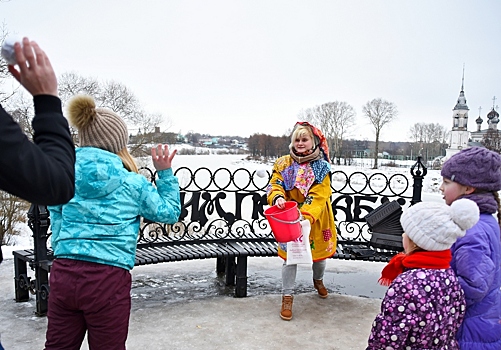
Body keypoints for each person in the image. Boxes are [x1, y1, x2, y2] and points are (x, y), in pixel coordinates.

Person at [43, 94, 181, 350]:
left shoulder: (64, 174)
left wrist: (64, 246)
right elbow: (169, 212)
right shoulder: (133, 184)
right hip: (108, 279)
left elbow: (56, 211)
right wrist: (164, 174)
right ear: (118, 143)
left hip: (64, 272)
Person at [0, 38, 75, 265]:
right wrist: (47, 100)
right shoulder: (130, 180)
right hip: (112, 274)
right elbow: (54, 184)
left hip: (64, 264)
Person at [367, 198, 479, 349]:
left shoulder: (406, 285)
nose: (402, 236)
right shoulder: (449, 276)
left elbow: (388, 336)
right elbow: (456, 318)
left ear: (416, 242)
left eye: (405, 232)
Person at [266, 121, 336, 321]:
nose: (300, 143)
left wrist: (304, 215)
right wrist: (278, 197)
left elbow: (319, 194)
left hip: (314, 217)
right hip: (288, 217)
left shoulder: (321, 168)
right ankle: (287, 296)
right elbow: (275, 184)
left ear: (313, 142)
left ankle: (318, 280)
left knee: (319, 255)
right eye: (297, 139)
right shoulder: (283, 163)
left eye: (304, 139)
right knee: (290, 258)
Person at [440, 146, 501, 349]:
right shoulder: (485, 220)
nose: (441, 187)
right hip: (483, 321)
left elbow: (473, 286)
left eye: (447, 182)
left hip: (468, 332)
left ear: (468, 188)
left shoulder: (472, 229)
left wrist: (429, 288)